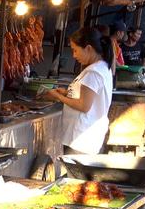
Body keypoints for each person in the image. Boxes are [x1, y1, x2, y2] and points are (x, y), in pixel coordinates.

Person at [42, 27, 113, 155]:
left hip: (81, 138)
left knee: (74, 168)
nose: (74, 55)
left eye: (75, 50)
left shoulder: (93, 72)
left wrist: (58, 96)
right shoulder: (101, 68)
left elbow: (84, 106)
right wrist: (66, 93)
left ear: (88, 48)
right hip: (85, 137)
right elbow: (89, 97)